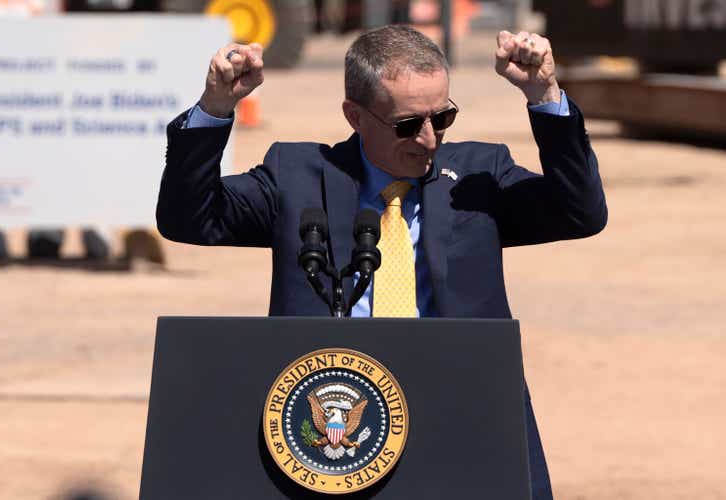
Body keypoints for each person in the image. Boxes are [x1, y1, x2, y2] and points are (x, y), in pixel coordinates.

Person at [156, 25, 607, 499]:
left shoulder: (478, 175)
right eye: (408, 125)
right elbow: (190, 219)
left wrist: (544, 96)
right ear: (355, 115)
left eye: (444, 118)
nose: (430, 140)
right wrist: (215, 110)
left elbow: (579, 213)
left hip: (464, 412)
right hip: (337, 437)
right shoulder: (297, 177)